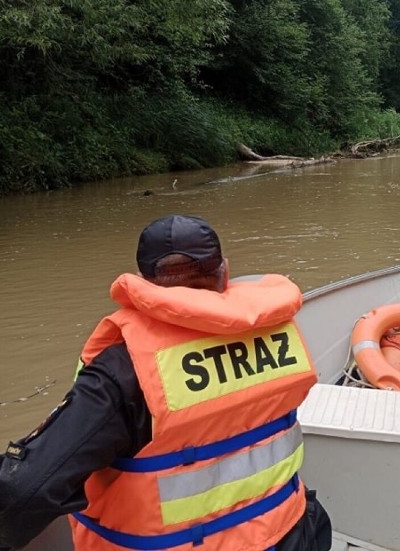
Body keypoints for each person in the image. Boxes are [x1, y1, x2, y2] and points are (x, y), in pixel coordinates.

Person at [0, 214, 332, 551]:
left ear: (145, 286)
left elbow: (26, 492)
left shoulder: (123, 370)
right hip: (285, 535)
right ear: (224, 272)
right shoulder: (278, 334)